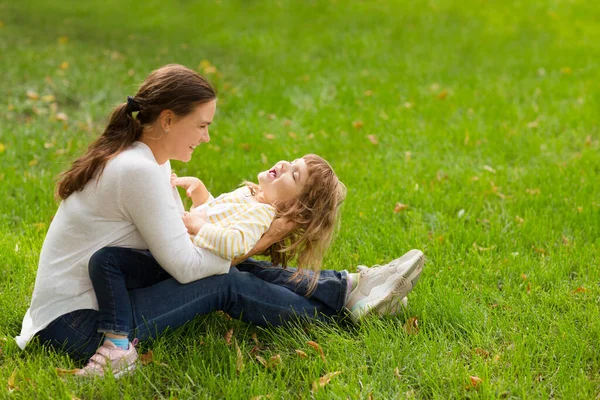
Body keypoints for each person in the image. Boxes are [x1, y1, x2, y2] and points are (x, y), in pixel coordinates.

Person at [15, 64, 424, 378]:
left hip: (88, 304)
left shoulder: (148, 161)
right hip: (78, 325)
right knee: (225, 278)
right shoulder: (137, 171)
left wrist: (235, 243)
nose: (207, 137)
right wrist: (254, 245)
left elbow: (187, 238)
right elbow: (188, 267)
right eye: (203, 125)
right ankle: (345, 307)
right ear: (169, 119)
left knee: (223, 253)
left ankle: (350, 288)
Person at [83, 154, 346, 376]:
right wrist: (201, 196)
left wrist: (200, 227)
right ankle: (339, 290)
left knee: (239, 273)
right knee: (105, 259)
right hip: (174, 256)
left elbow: (234, 244)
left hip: (182, 263)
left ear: (293, 206)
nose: (285, 165)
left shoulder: (262, 213)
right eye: (292, 161)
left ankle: (117, 345)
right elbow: (217, 217)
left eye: (295, 175)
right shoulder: (249, 195)